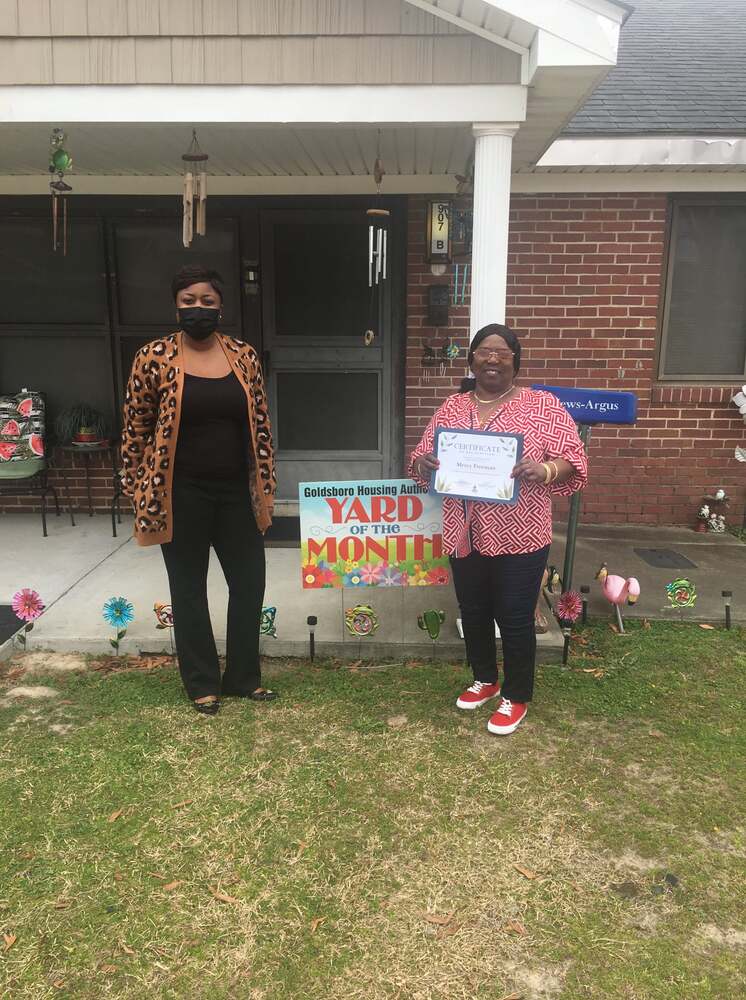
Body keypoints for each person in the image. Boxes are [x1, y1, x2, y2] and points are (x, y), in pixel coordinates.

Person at [409, 323, 587, 735]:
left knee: (514, 615)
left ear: (515, 360)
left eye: (502, 352)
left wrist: (543, 469)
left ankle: (516, 695)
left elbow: (573, 459)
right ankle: (485, 679)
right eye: (484, 351)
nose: (492, 359)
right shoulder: (452, 407)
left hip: (520, 532)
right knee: (472, 610)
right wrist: (424, 464)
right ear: (471, 359)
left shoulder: (542, 406)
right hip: (463, 528)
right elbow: (420, 456)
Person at [120, 264, 277, 715]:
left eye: (207, 301)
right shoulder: (153, 356)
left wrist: (266, 482)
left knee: (249, 584)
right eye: (189, 301)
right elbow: (136, 427)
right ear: (176, 306)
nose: (198, 309)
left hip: (236, 492)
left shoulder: (243, 356)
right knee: (188, 589)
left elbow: (261, 423)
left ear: (220, 306)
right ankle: (201, 682)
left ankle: (244, 677)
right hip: (180, 492)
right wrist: (136, 487)